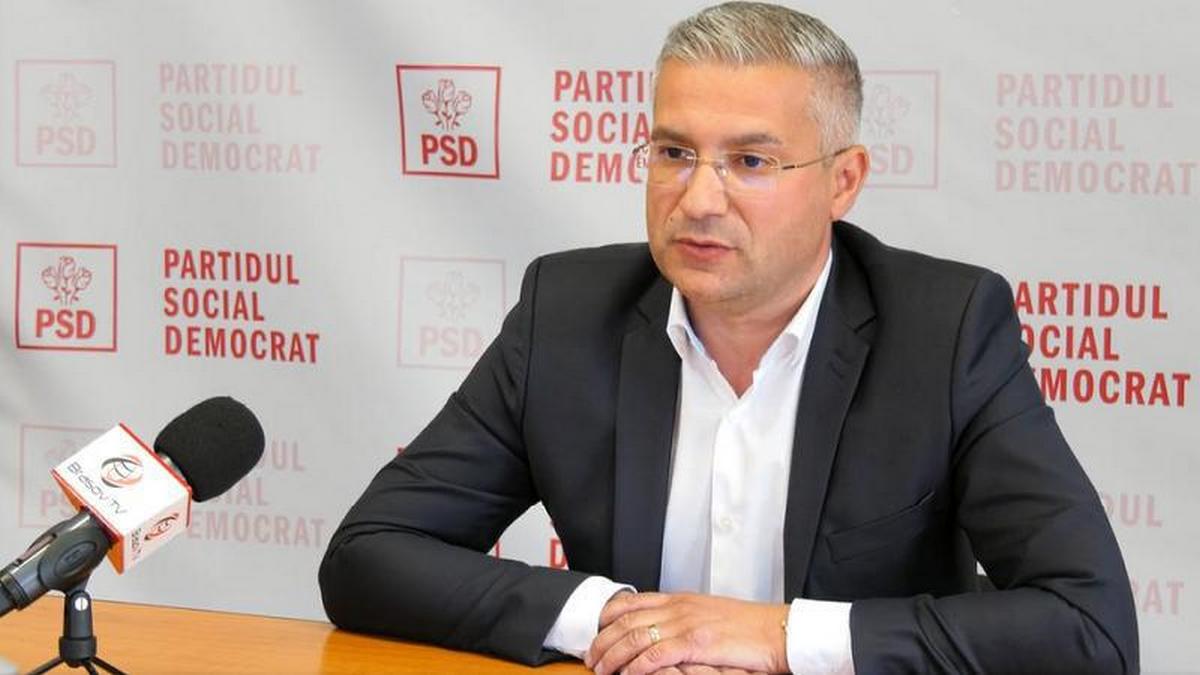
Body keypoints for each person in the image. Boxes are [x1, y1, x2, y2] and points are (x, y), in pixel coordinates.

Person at [319, 3, 1138, 673]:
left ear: (842, 181)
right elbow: (369, 552)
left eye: (750, 161)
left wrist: (780, 635)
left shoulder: (945, 331)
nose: (700, 198)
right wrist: (612, 617)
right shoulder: (565, 314)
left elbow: (1089, 625)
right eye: (675, 151)